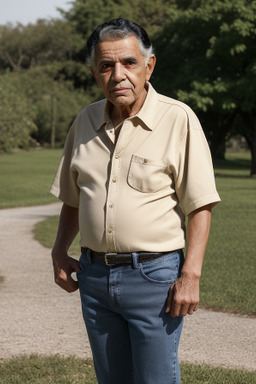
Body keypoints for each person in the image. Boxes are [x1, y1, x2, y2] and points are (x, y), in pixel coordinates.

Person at [50, 18, 220, 384]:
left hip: (154, 278)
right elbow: (73, 199)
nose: (117, 75)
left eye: (128, 63)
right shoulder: (84, 122)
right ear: (95, 73)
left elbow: (200, 205)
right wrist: (59, 251)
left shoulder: (178, 119)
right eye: (106, 66)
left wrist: (190, 275)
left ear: (149, 65)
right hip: (94, 278)